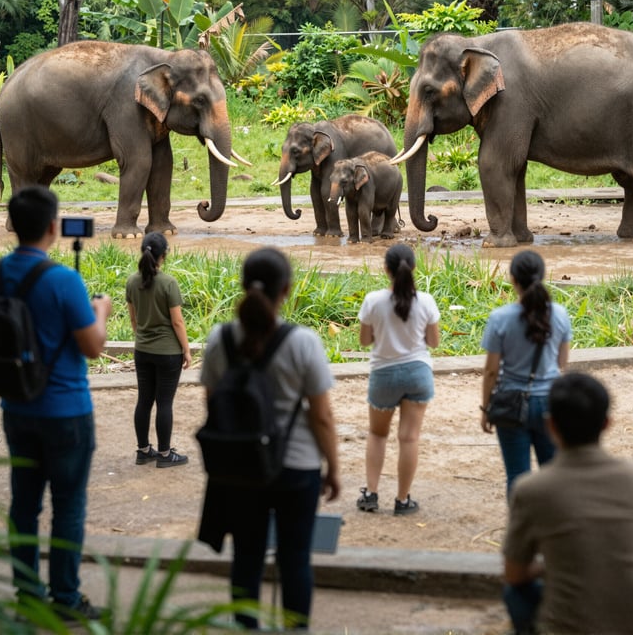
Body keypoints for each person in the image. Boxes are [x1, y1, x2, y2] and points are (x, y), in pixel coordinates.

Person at [0, 186, 112, 621]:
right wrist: (102, 311)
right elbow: (92, 347)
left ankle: (27, 597)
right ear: (54, 227)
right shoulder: (63, 279)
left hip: (17, 408)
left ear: (13, 225)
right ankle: (66, 600)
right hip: (67, 411)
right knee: (68, 506)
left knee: (24, 505)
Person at [197, 247, 340, 630]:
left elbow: (213, 402)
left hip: (241, 467)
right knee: (294, 560)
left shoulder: (219, 339)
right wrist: (333, 468)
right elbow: (322, 417)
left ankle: (246, 628)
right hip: (297, 467)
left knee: (246, 557)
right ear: (287, 290)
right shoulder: (303, 342)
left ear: (243, 287)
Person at [503, 371, 633, 635]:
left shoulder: (532, 490)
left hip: (568, 628)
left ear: (550, 425)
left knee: (513, 593)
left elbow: (514, 574)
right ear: (607, 423)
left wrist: (551, 565)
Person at [356, 243, 440, 516]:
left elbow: (364, 341)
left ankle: (371, 494)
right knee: (409, 439)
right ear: (414, 268)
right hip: (418, 373)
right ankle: (403, 501)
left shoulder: (373, 301)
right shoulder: (426, 301)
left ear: (386, 270)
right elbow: (434, 343)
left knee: (378, 434)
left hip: (384, 374)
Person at [480, 249, 571, 496]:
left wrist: (486, 408)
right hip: (550, 404)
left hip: (511, 403)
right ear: (542, 277)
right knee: (552, 476)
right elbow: (562, 363)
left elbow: (491, 371)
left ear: (513, 279)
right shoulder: (560, 315)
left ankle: (522, 532)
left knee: (517, 478)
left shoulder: (499, 318)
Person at [126, 232, 191, 467]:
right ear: (164, 255)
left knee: (144, 400)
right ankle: (164, 455)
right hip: (167, 353)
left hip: (142, 350)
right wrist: (186, 349)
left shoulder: (132, 281)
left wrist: (143, 338)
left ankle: (143, 451)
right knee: (164, 403)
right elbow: (177, 322)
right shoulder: (168, 283)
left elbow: (133, 319)